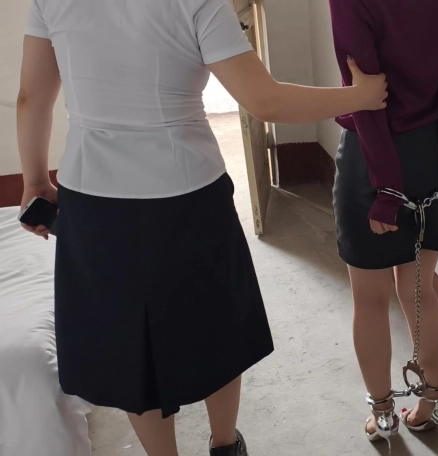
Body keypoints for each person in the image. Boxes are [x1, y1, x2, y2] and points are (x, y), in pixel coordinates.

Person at [17, 0, 387, 454]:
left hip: (93, 199)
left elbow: (31, 97)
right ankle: (225, 444)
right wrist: (360, 96)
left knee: (131, 347)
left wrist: (34, 180)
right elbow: (265, 101)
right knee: (216, 325)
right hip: (187, 192)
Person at [328, 0, 438, 450]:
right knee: (420, 290)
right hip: (430, 156)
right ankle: (433, 405)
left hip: (371, 158)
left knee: (370, 299)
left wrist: (386, 187)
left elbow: (364, 94)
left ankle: (384, 415)